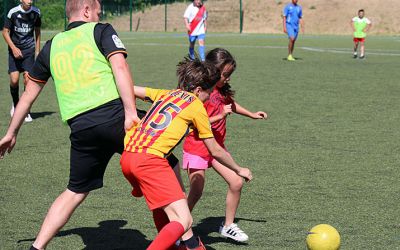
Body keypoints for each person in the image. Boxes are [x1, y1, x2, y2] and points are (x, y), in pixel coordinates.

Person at [0, 0, 141, 249]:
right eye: (98, 12)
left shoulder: (52, 46)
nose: (100, 16)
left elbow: (28, 95)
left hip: (81, 128)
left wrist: (11, 133)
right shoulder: (101, 30)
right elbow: (120, 66)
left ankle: (37, 246)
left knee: (75, 191)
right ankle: (185, 236)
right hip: (115, 117)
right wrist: (130, 112)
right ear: (87, 11)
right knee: (166, 161)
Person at [121, 57, 253, 250]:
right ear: (198, 90)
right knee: (184, 220)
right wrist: (238, 169)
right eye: (209, 93)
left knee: (164, 210)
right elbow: (214, 149)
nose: (209, 98)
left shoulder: (166, 94)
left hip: (128, 156)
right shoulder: (196, 105)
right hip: (150, 162)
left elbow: (130, 89)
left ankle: (182, 245)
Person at [181, 48, 267, 243]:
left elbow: (231, 104)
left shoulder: (220, 90)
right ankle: (179, 225)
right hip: (197, 147)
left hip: (217, 149)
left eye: (230, 75)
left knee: (236, 182)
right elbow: (193, 122)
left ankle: (228, 226)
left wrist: (252, 114)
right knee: (196, 190)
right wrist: (219, 116)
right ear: (213, 71)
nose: (228, 78)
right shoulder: (202, 93)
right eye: (225, 74)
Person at [2, 0, 41, 122]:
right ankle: (16, 104)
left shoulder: (36, 12)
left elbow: (37, 32)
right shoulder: (13, 12)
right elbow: (5, 32)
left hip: (29, 50)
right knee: (14, 80)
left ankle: (25, 110)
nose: (30, 1)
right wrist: (13, 48)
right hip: (14, 50)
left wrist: (37, 51)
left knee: (27, 80)